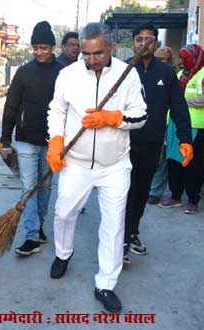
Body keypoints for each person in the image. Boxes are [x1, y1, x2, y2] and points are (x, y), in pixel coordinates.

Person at [46, 23, 147, 312]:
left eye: (98, 53)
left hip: (114, 166)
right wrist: (55, 141)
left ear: (111, 48)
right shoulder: (68, 74)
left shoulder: (128, 74)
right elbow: (57, 110)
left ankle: (105, 284)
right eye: (86, 53)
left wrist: (112, 118)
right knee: (64, 212)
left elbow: (141, 115)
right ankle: (63, 254)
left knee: (114, 225)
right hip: (75, 163)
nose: (91, 60)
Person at [122, 25, 192, 263]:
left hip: (151, 143)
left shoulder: (166, 72)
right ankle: (119, 240)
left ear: (156, 42)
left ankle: (132, 233)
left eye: (148, 39)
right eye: (138, 39)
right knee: (123, 192)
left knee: (141, 191)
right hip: (123, 143)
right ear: (133, 43)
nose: (143, 43)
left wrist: (185, 139)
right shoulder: (123, 70)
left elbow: (179, 107)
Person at [1, 21, 63, 256]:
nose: (39, 52)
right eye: (35, 47)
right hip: (26, 140)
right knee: (28, 187)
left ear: (52, 47)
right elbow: (11, 106)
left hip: (51, 142)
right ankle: (31, 234)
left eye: (43, 48)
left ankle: (38, 226)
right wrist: (5, 138)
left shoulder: (62, 73)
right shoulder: (24, 72)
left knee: (45, 186)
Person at [159, 44, 204, 214]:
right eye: (182, 57)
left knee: (193, 165)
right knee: (174, 161)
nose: (183, 61)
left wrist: (182, 102)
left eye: (186, 58)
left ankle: (193, 199)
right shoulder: (180, 74)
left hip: (197, 127)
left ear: (196, 57)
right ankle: (175, 196)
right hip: (175, 126)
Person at [147, 46, 178, 205]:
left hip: (169, 125)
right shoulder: (148, 73)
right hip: (151, 123)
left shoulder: (174, 76)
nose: (161, 63)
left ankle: (154, 192)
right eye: (158, 59)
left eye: (164, 60)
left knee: (163, 160)